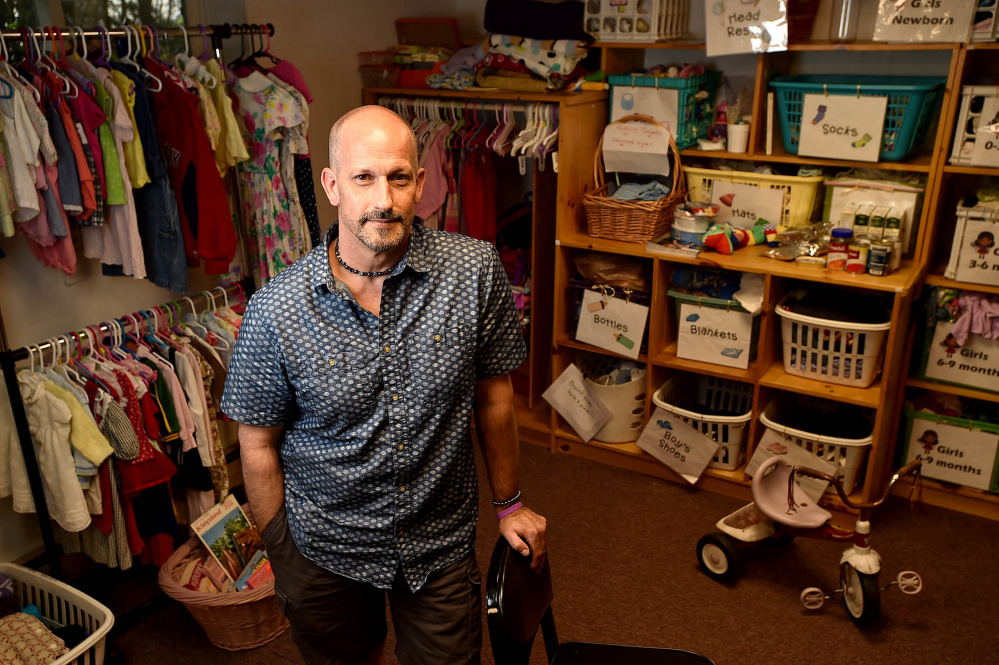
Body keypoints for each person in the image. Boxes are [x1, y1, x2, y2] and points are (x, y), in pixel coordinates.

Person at [220, 105, 547, 665]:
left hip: (439, 541)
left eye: (398, 178)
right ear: (331, 185)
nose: (383, 199)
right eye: (364, 177)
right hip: (324, 548)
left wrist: (510, 504)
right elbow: (256, 443)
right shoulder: (277, 307)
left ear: (421, 183)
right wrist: (283, 549)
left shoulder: (473, 271)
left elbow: (495, 397)